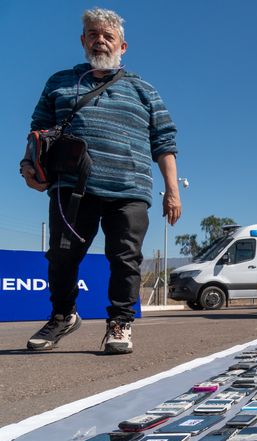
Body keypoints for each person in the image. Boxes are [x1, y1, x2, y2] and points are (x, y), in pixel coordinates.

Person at [20, 8, 181, 354]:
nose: (100, 40)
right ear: (83, 40)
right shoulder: (60, 82)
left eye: (108, 36)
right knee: (62, 257)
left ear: (123, 46)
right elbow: (38, 128)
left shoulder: (144, 90)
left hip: (130, 188)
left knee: (125, 258)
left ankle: (119, 323)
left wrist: (172, 191)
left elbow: (164, 142)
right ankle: (63, 315)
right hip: (71, 187)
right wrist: (27, 165)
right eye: (94, 34)